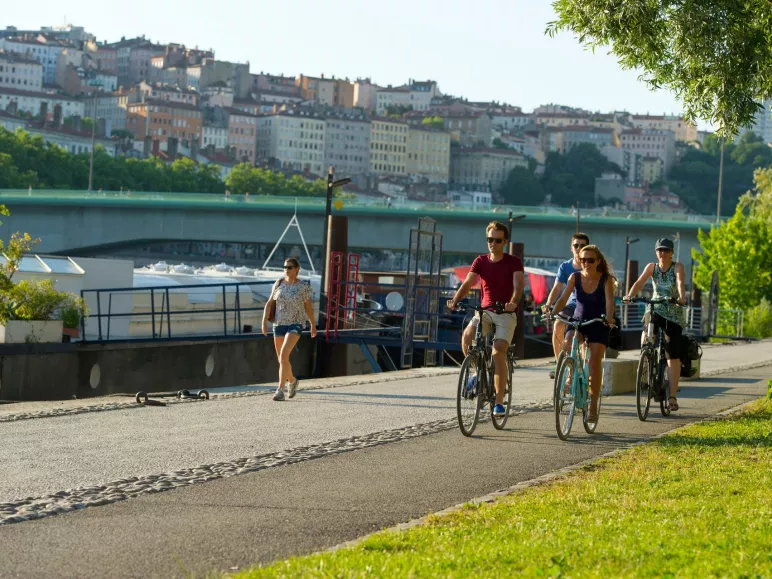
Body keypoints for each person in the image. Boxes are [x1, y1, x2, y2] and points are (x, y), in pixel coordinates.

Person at [447, 221, 525, 418]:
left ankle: (499, 402)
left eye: (497, 240)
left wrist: (513, 303)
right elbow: (468, 282)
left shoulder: (514, 262)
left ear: (505, 242)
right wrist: (455, 300)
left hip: (506, 312)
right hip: (485, 311)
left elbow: (518, 286)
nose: (493, 243)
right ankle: (475, 372)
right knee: (467, 336)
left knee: (498, 351)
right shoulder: (480, 261)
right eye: (489, 239)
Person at [550, 244, 616, 422]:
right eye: (582, 259)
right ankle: (571, 375)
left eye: (590, 260)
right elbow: (563, 298)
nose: (586, 263)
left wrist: (609, 318)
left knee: (594, 362)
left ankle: (593, 405)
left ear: (598, 262)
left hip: (597, 322)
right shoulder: (574, 277)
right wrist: (553, 312)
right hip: (578, 320)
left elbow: (610, 302)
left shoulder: (606, 279)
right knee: (569, 340)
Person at [623, 238, 687, 411]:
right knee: (648, 324)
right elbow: (639, 282)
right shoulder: (652, 267)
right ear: (656, 252)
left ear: (672, 253)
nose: (663, 253)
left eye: (666, 250)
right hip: (656, 306)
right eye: (660, 250)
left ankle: (672, 396)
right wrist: (629, 295)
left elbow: (680, 283)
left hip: (673, 311)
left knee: (672, 354)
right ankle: (646, 350)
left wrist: (681, 298)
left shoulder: (678, 267)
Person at [261, 257, 317, 401]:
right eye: (285, 267)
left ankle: (280, 390)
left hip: (295, 324)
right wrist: (264, 322)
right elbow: (269, 303)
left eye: (290, 267)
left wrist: (312, 324)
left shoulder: (303, 286)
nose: (286, 270)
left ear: (297, 269)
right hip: (278, 324)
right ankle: (292, 381)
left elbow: (308, 307)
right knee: (282, 359)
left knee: (284, 354)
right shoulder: (278, 283)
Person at [542, 232, 591, 378]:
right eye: (576, 245)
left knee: (585, 341)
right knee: (558, 324)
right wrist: (549, 304)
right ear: (571, 248)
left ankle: (582, 371)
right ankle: (560, 365)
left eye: (582, 246)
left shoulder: (592, 265)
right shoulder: (565, 267)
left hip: (589, 306)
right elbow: (557, 288)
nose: (579, 248)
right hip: (572, 305)